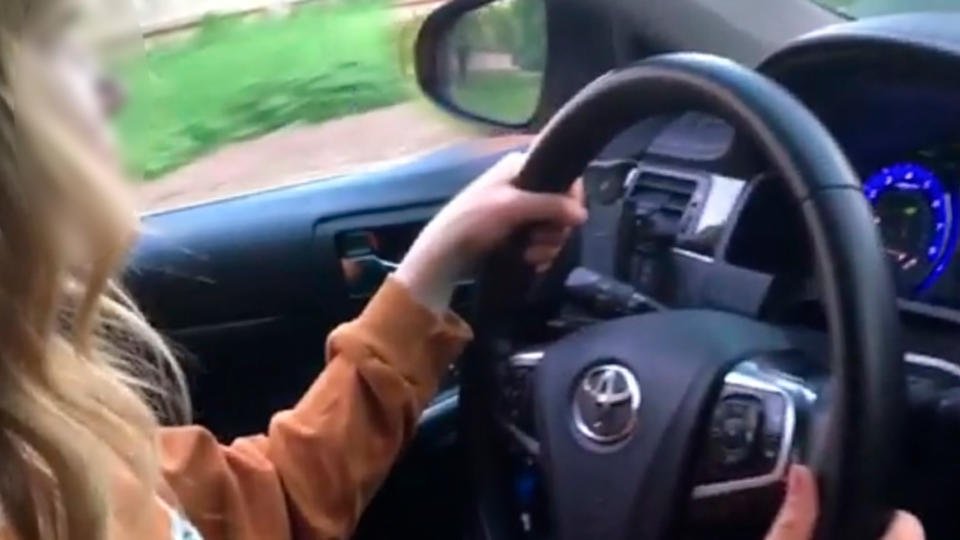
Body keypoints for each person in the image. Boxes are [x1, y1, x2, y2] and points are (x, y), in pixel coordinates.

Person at [0, 0, 927, 539]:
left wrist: (429, 276)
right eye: (63, 60)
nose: (114, 94)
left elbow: (260, 509)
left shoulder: (47, 445)